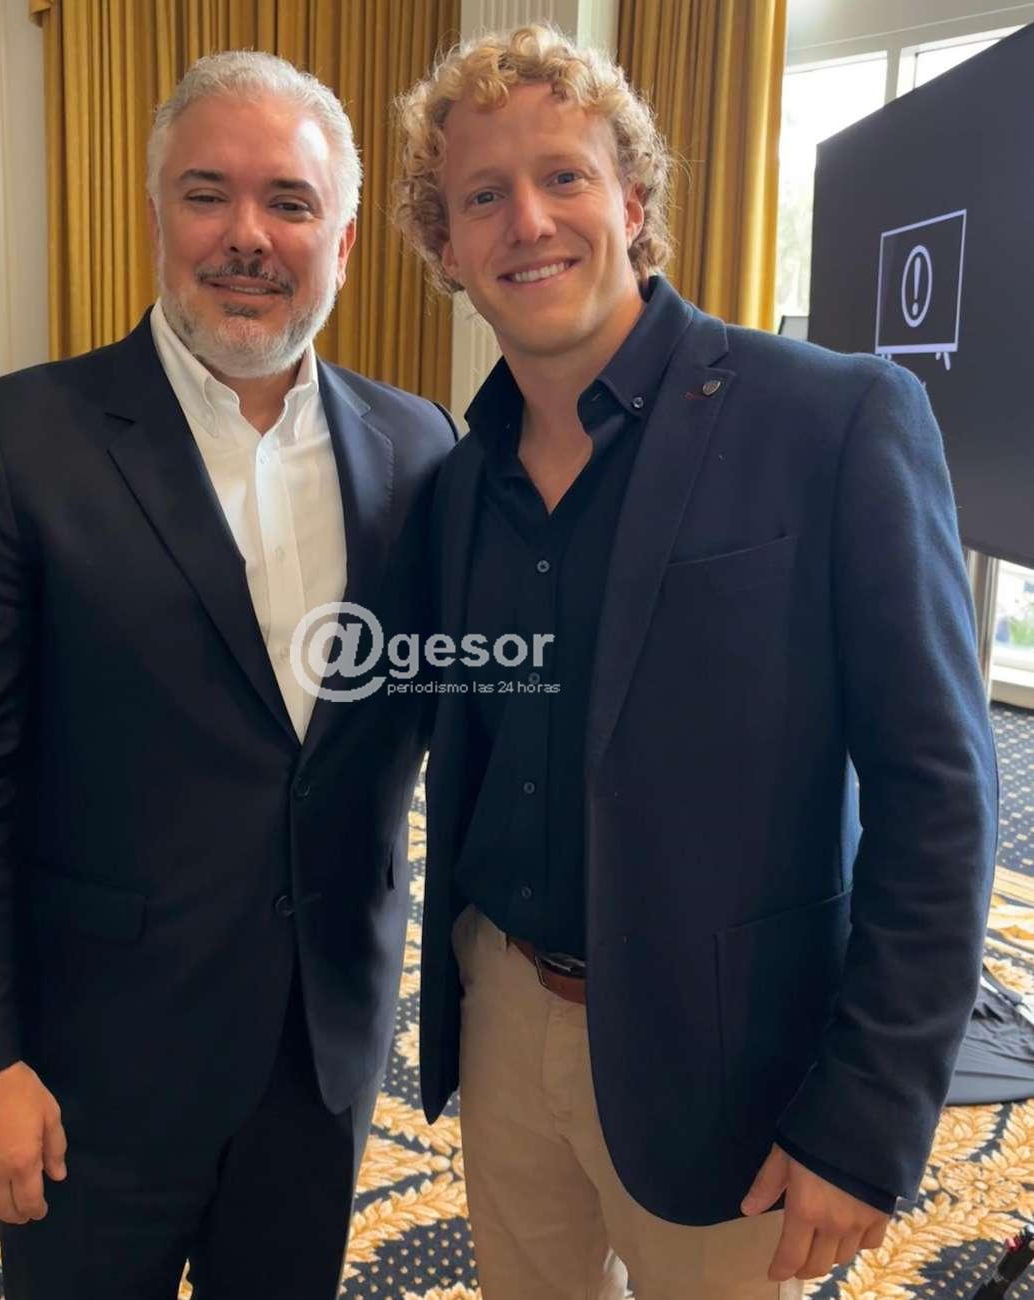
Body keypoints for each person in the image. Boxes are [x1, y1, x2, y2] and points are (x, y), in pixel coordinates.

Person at [394, 24, 997, 1300]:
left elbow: (938, 791)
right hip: (502, 1012)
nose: (527, 221)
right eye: (482, 196)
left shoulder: (830, 419)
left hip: (733, 1058)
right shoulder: (455, 483)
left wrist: (867, 1111)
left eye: (563, 175)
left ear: (633, 202)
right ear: (445, 248)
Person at [0, 50, 454, 1300]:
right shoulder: (10, 443)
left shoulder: (416, 445)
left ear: (343, 242)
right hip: (86, 1074)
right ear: (155, 218)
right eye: (206, 193)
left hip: (319, 1061)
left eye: (289, 202)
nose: (248, 235)